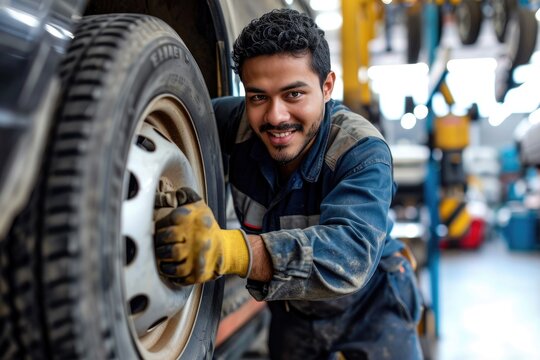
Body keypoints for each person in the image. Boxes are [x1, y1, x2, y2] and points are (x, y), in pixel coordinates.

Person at [154, 8, 423, 360]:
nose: (275, 116)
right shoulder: (235, 124)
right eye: (258, 97)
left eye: (294, 94)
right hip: (293, 309)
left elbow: (349, 254)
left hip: (371, 306)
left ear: (327, 87)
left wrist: (230, 251)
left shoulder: (361, 152)